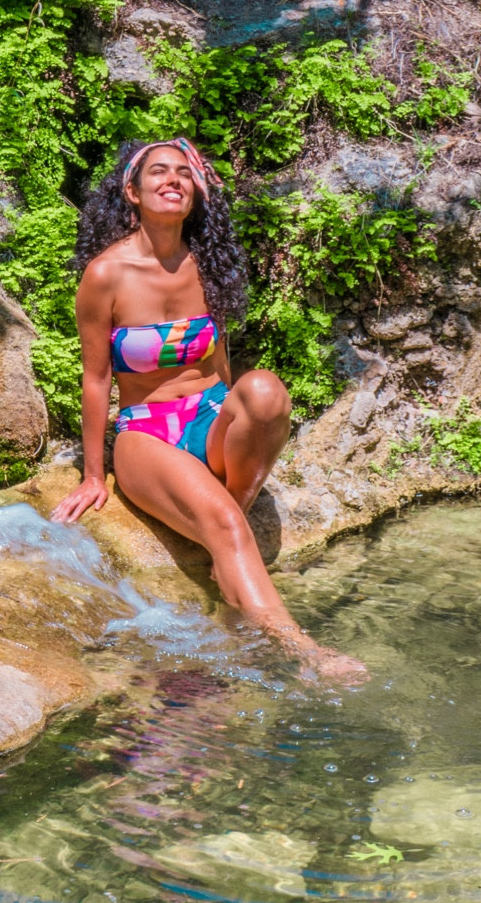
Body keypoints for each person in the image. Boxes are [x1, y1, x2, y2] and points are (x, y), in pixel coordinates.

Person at [50, 138, 366, 682]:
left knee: (264, 390)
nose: (173, 180)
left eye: (184, 174)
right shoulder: (106, 275)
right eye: (158, 173)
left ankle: (230, 536)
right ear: (132, 190)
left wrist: (228, 427)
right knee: (224, 524)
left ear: (196, 192)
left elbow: (221, 364)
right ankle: (302, 651)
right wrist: (93, 473)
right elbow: (97, 378)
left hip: (209, 420)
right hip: (148, 433)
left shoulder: (206, 266)